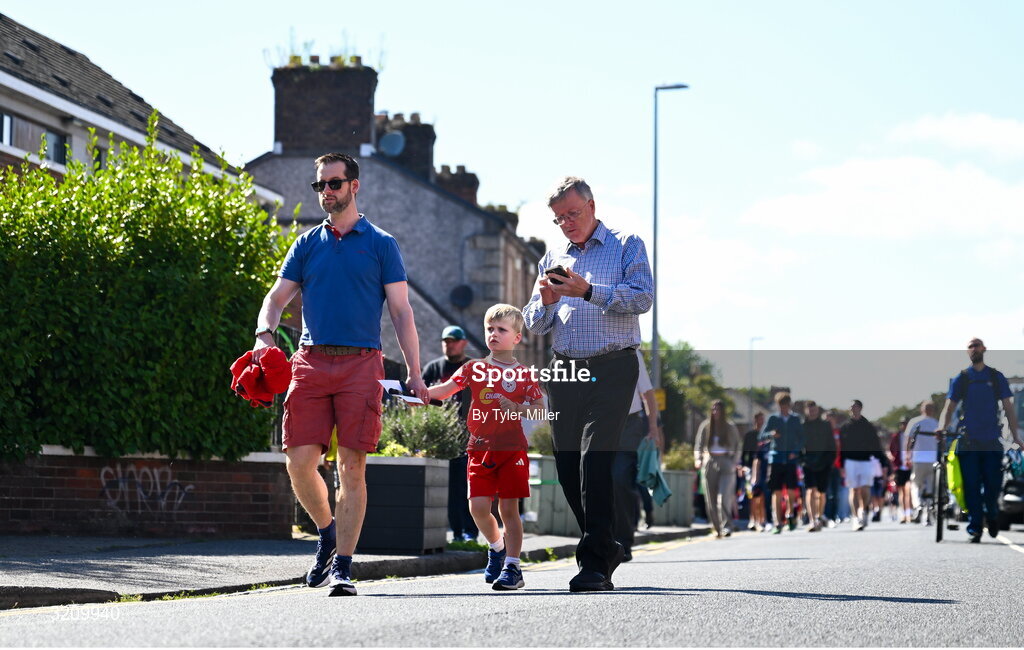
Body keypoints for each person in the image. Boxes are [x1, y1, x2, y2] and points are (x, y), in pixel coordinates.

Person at [252, 153, 428, 597]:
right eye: (320, 186)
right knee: (298, 462)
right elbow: (275, 298)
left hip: (360, 364)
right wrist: (263, 334)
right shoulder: (307, 243)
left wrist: (414, 371)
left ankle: (344, 567)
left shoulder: (382, 244)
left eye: (334, 183)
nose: (326, 192)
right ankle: (327, 532)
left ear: (355, 186)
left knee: (352, 467)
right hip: (310, 362)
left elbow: (403, 312)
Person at [523, 176, 653, 592]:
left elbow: (642, 298)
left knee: (594, 460)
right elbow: (533, 323)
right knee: (565, 467)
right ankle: (605, 543)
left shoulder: (627, 243)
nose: (566, 224)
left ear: (592, 206)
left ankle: (594, 562)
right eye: (559, 218)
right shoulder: (552, 256)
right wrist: (544, 304)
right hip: (565, 370)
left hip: (614, 367)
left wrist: (590, 291)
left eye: (573, 214)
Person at [427, 304, 542, 589]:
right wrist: (415, 392)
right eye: (490, 328)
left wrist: (517, 406)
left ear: (517, 338)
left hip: (511, 448)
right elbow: (443, 391)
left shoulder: (525, 375)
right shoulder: (473, 368)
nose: (493, 334)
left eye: (501, 330)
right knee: (477, 507)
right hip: (479, 449)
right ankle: (496, 547)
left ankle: (513, 568)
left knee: (508, 510)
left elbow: (540, 410)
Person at [935, 338, 1024, 542]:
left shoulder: (996, 376)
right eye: (971, 346)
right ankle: (975, 527)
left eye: (977, 345)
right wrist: (942, 427)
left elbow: (1009, 408)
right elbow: (949, 408)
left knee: (993, 485)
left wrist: (1016, 436)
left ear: (984, 349)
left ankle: (991, 514)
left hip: (992, 440)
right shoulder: (963, 378)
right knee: (972, 486)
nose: (974, 349)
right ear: (967, 351)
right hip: (969, 441)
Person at [422, 325, 479, 543]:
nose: (449, 344)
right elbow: (420, 398)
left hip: (469, 437)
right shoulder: (433, 369)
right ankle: (456, 532)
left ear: (463, 343)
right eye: (446, 340)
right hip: (441, 439)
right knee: (448, 490)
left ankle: (471, 531)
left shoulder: (473, 367)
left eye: (454, 340)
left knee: (467, 487)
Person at [611, 350, 662, 561]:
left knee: (621, 479)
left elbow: (648, 394)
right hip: (600, 421)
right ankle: (602, 539)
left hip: (629, 424)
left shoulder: (633, 355)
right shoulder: (590, 349)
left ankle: (624, 541)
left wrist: (653, 428)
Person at [694, 400, 742, 538]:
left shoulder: (730, 427)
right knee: (711, 499)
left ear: (723, 411)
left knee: (724, 497)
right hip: (710, 461)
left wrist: (734, 462)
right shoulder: (706, 426)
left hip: (726, 462)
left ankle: (727, 526)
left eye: (718, 409)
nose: (715, 412)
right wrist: (698, 459)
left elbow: (738, 446)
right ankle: (717, 528)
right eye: (713, 409)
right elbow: (698, 445)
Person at [759, 392, 804, 534]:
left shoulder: (795, 419)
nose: (783, 408)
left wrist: (796, 451)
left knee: (791, 491)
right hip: (776, 458)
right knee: (776, 492)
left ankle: (790, 515)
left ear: (789, 405)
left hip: (790, 460)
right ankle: (777, 522)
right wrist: (771, 434)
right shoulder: (772, 418)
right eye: (780, 406)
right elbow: (761, 435)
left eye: (785, 405)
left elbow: (802, 438)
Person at [839, 400, 885, 531]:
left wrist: (882, 462)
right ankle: (855, 517)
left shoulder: (868, 426)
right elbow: (841, 447)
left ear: (860, 408)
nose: (853, 409)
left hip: (865, 461)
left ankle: (862, 510)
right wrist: (841, 464)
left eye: (856, 406)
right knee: (853, 489)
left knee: (865, 488)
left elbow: (876, 445)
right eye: (851, 407)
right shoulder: (845, 427)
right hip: (850, 461)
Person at [801, 400, 836, 532]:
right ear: (806, 411)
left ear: (817, 410)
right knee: (810, 490)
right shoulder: (802, 426)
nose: (812, 412)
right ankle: (812, 520)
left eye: (814, 409)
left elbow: (831, 445)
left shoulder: (825, 426)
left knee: (822, 492)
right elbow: (798, 444)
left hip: (824, 462)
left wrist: (829, 461)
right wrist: (801, 459)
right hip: (808, 462)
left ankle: (819, 515)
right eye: (810, 410)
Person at [905, 401, 939, 524]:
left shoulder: (915, 422)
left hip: (918, 458)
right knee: (930, 487)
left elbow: (908, 440)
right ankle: (929, 512)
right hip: (932, 459)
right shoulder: (936, 423)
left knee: (915, 485)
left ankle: (918, 505)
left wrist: (907, 456)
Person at [741, 412, 767, 531]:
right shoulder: (750, 435)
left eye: (762, 420)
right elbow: (744, 453)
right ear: (755, 421)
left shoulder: (766, 435)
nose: (760, 422)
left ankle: (761, 519)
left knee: (761, 494)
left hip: (763, 466)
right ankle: (752, 519)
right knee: (751, 494)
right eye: (759, 420)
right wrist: (743, 466)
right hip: (751, 467)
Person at [890, 418, 914, 523]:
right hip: (900, 467)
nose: (904, 426)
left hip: (911, 466)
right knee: (902, 492)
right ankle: (904, 514)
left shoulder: (912, 435)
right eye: (902, 424)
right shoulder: (896, 436)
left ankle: (910, 513)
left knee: (909, 490)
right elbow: (891, 450)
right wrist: (895, 460)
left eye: (906, 424)